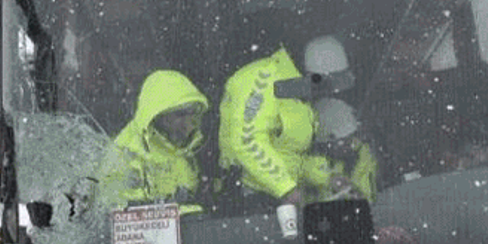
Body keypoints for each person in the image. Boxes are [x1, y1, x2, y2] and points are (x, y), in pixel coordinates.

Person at [218, 35, 354, 208]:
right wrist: (286, 188)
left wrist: (328, 178)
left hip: (281, 198)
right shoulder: (262, 79)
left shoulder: (299, 92)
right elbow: (247, 140)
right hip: (249, 199)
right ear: (315, 75)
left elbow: (292, 157)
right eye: (327, 84)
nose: (327, 92)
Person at [111, 70, 210, 209]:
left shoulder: (186, 148)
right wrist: (193, 213)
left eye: (193, 113)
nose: (189, 123)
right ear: (157, 114)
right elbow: (132, 217)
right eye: (180, 114)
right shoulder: (128, 155)